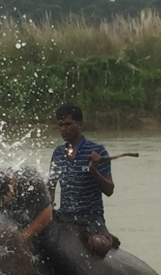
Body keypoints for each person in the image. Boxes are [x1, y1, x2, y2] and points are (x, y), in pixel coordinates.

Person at [47, 103, 117, 257]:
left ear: (79, 124)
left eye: (68, 124)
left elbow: (109, 190)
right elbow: (51, 185)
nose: (63, 129)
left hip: (90, 216)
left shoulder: (97, 151)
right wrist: (48, 207)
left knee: (99, 246)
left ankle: (106, 237)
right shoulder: (58, 153)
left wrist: (94, 170)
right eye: (60, 125)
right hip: (65, 215)